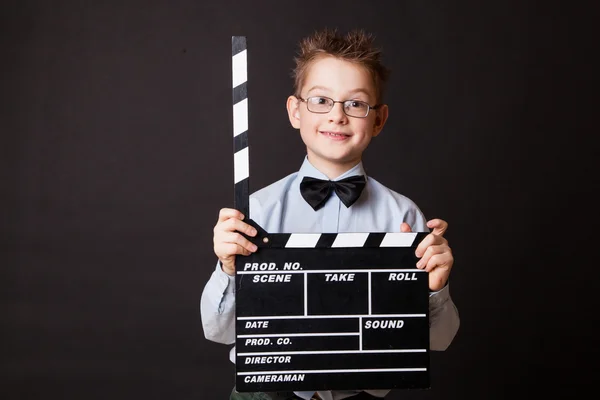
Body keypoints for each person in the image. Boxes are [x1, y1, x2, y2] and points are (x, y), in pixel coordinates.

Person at [201, 28, 460, 400]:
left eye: (355, 104)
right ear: (295, 111)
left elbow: (439, 340)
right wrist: (228, 269)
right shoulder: (254, 211)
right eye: (321, 100)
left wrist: (435, 288)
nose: (337, 116)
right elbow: (218, 330)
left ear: (379, 119)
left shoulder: (403, 216)